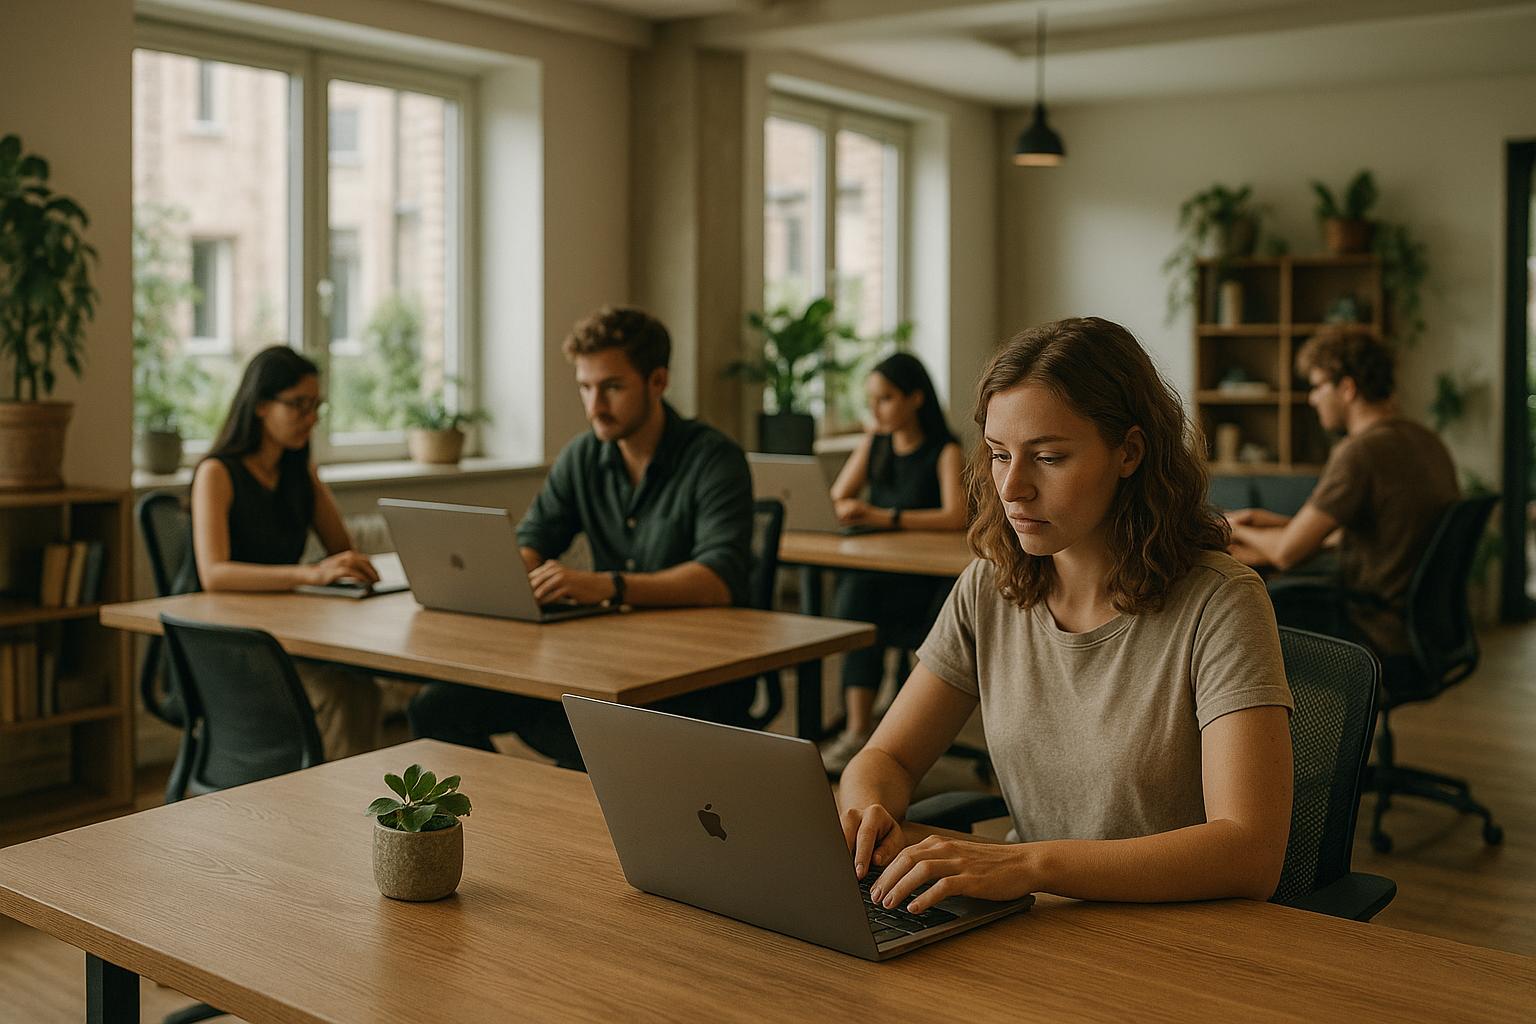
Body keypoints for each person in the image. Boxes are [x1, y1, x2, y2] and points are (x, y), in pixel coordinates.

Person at [838, 317, 1294, 914]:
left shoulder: (1222, 602)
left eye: (1049, 458)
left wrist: (1029, 864)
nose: (1012, 488)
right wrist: (867, 813)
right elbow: (888, 758)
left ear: (1129, 452)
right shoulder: (990, 586)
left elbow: (1250, 852)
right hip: (1036, 918)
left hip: (1173, 930)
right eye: (999, 455)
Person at [407, 306, 754, 764]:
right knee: (435, 708)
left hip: (691, 677)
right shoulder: (583, 455)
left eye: (612, 387)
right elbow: (534, 539)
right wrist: (507, 576)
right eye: (586, 388)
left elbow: (718, 580)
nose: (595, 407)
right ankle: (506, 806)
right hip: (603, 666)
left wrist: (608, 586)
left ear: (658, 381)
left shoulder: (714, 458)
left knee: (592, 749)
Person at [190, 345, 384, 759]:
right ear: (260, 405)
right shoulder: (217, 472)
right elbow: (215, 574)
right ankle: (332, 796)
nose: (310, 419)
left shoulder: (300, 473)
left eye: (316, 407)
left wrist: (342, 565)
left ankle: (340, 792)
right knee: (343, 692)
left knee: (359, 687)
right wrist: (310, 574)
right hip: (231, 641)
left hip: (287, 632)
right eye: (298, 405)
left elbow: (342, 551)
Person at [1226, 327, 1458, 656]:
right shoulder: (1424, 440)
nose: (1312, 398)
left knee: (1245, 609)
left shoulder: (1361, 452)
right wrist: (1278, 524)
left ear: (1347, 388)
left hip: (1373, 626)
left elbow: (1286, 554)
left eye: (1318, 386)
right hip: (1423, 626)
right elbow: (1358, 534)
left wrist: (1234, 528)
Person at [820, 352, 966, 774]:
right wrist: (853, 506)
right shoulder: (876, 443)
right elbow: (838, 495)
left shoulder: (944, 449)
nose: (875, 410)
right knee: (856, 596)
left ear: (915, 398)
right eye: (871, 400)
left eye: (884, 399)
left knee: (860, 597)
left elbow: (955, 516)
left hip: (925, 582)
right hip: (881, 573)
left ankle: (881, 724)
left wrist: (884, 517)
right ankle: (858, 729)